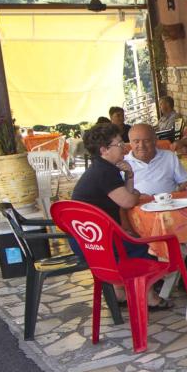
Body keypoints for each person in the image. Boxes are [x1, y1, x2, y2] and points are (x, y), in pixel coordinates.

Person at [70, 122, 171, 309]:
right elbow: (128, 201)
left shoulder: (102, 168)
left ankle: (120, 293)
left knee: (131, 238)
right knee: (145, 244)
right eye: (118, 144)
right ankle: (149, 296)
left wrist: (130, 175)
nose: (124, 147)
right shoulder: (104, 172)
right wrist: (135, 194)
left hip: (87, 237)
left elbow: (124, 197)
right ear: (104, 150)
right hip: (95, 242)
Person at [125, 123, 187, 196]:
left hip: (170, 203)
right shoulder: (123, 164)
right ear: (130, 143)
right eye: (136, 141)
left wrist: (177, 194)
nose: (141, 146)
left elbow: (185, 182)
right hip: (138, 205)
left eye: (146, 141)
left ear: (155, 141)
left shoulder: (169, 156)